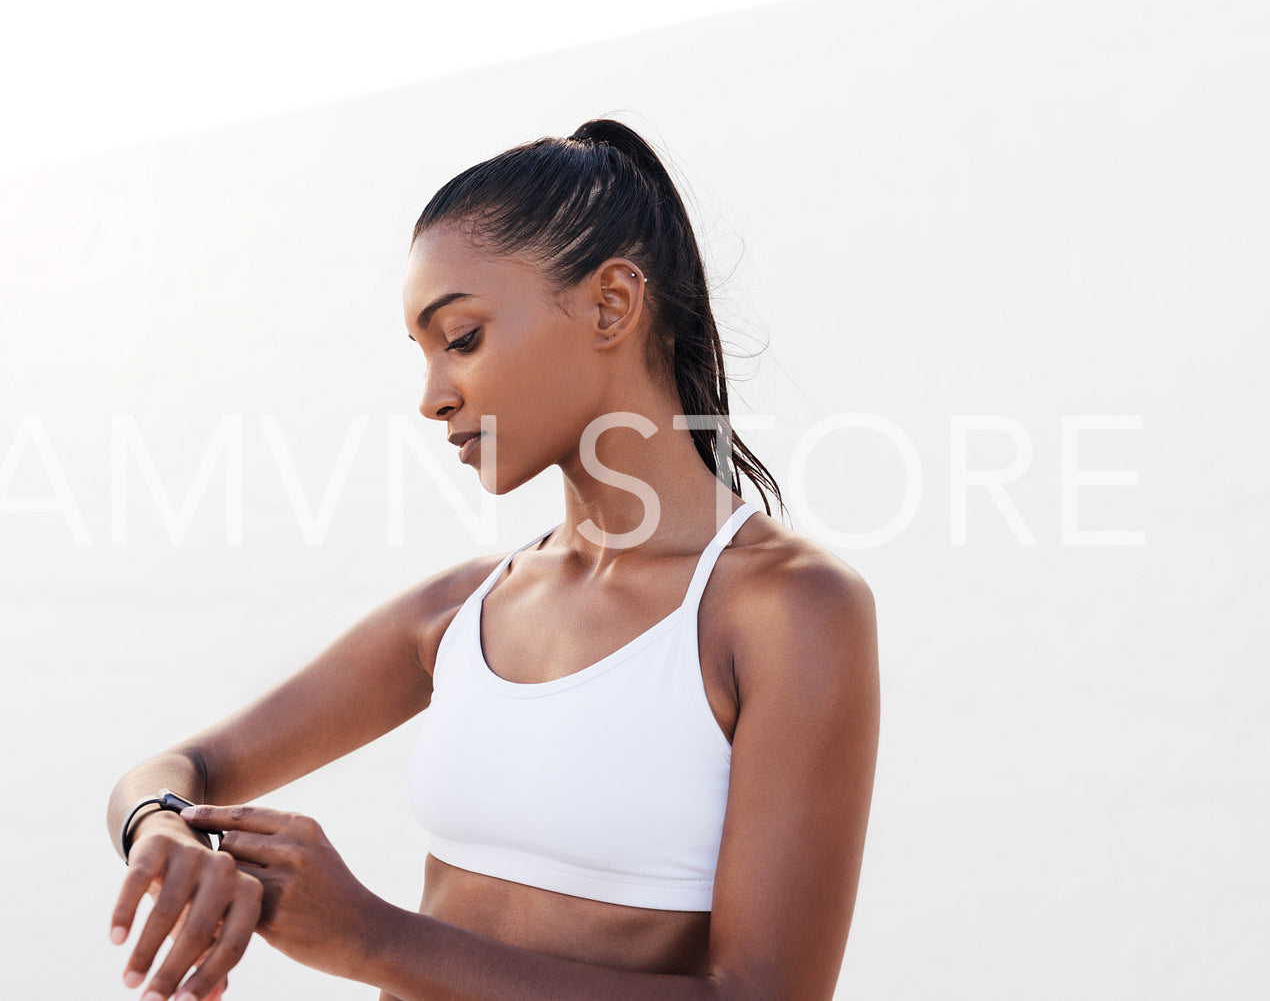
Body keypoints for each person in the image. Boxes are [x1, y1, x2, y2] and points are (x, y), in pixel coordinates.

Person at [106, 117, 880, 1001]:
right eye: (423, 353)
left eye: (462, 338)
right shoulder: (462, 610)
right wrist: (160, 830)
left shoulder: (784, 609)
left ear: (611, 305)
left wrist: (370, 938)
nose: (434, 398)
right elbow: (172, 773)